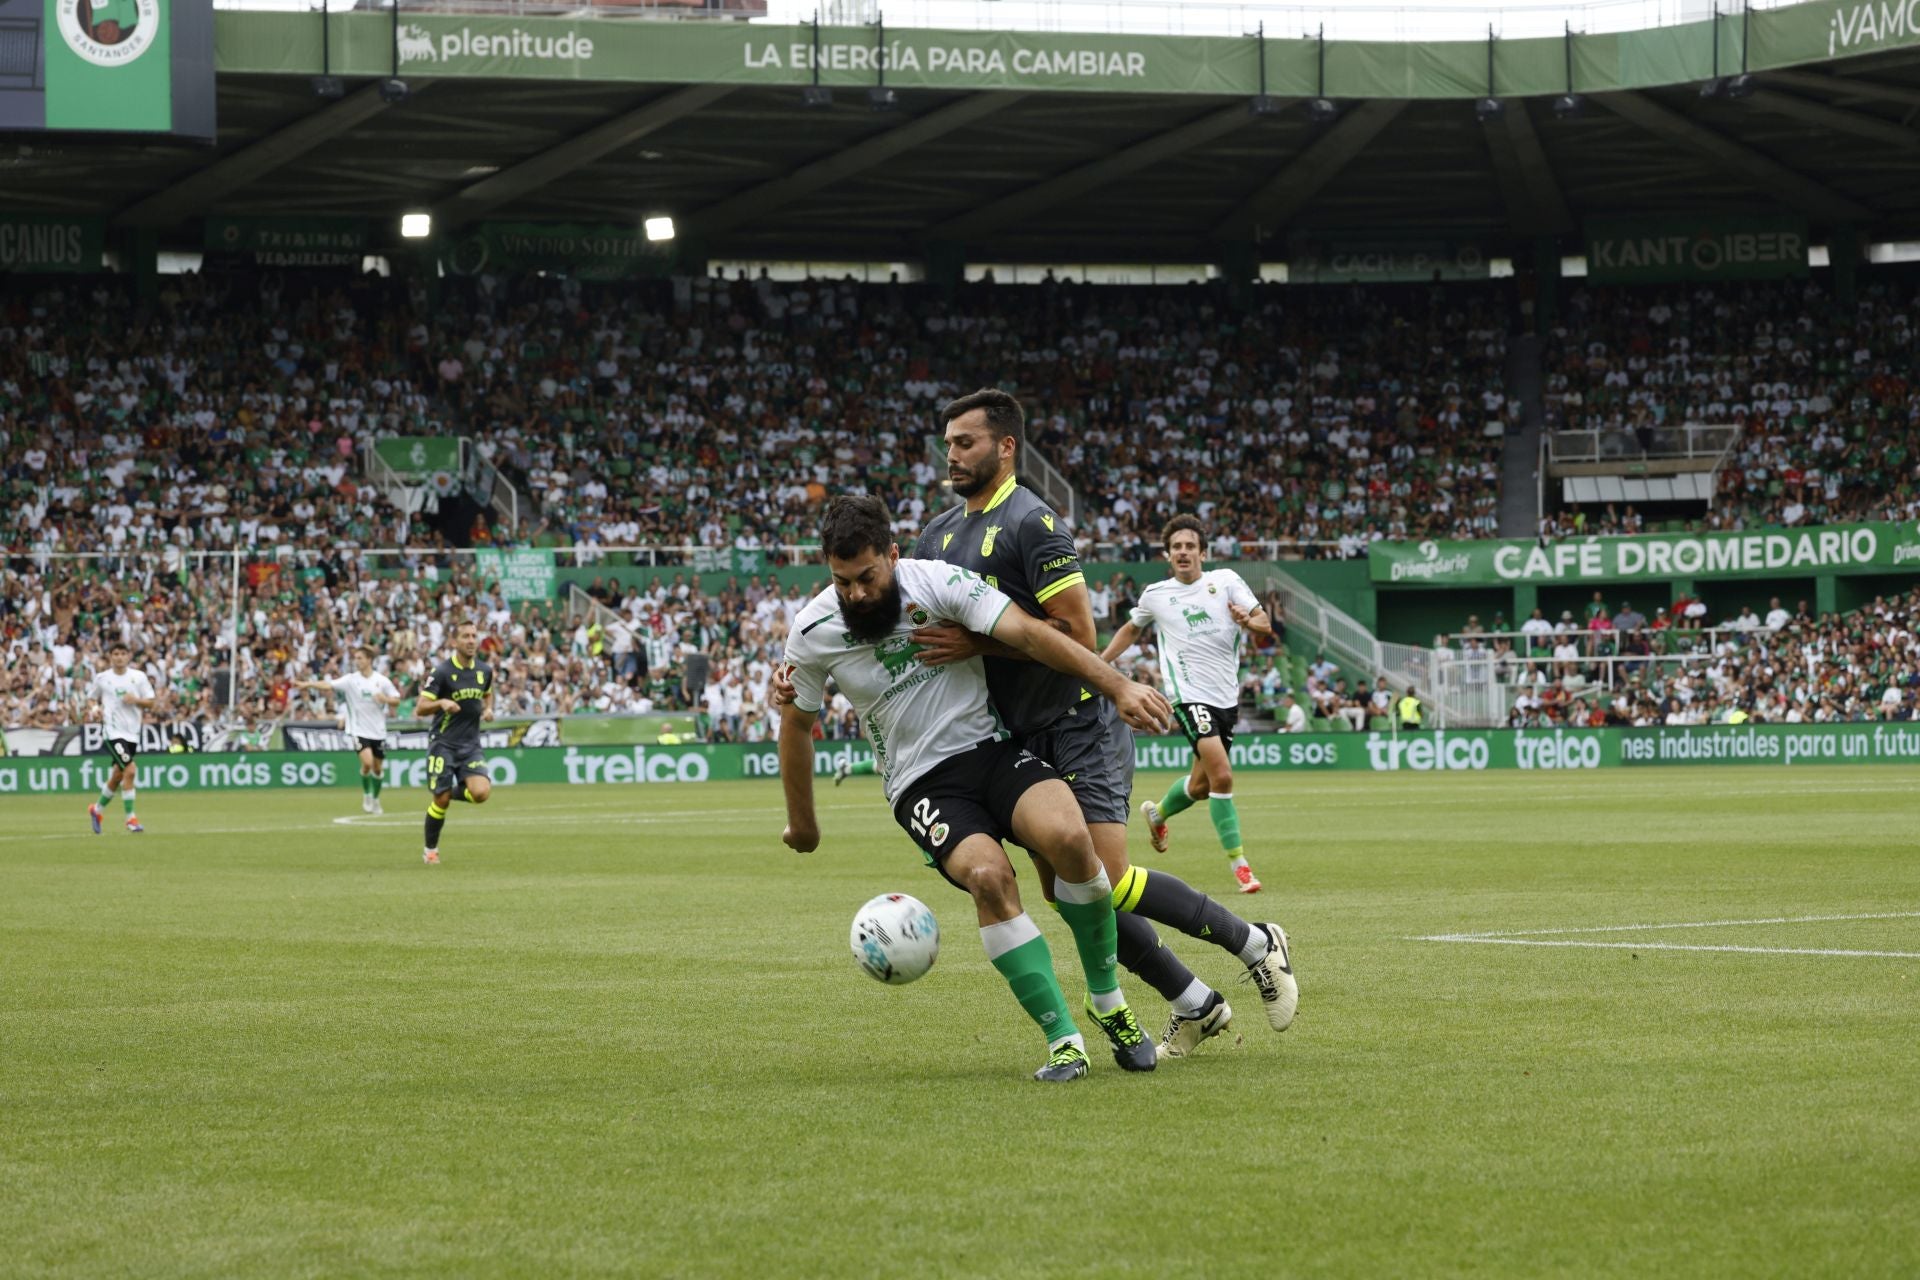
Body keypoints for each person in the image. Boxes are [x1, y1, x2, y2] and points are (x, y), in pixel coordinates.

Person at [874, 388, 1296, 1055]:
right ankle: (1195, 1001)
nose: (951, 454)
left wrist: (979, 644)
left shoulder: (1032, 523)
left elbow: (1076, 631)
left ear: (1005, 447)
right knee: (1070, 894)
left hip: (1074, 720)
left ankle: (1253, 940)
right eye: (948, 443)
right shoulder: (938, 533)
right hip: (1011, 735)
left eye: (966, 442)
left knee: (1106, 878)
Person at [779, 496, 1174, 1081]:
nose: (856, 594)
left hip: (991, 749)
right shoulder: (813, 631)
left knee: (1072, 840)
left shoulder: (937, 583)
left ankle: (1108, 1001)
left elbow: (1032, 635)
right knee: (990, 878)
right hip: (920, 784)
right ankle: (1063, 1040)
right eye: (843, 582)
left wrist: (1116, 684)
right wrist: (804, 824)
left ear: (893, 555)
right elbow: (795, 724)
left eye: (867, 577)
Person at [1103, 514, 1275, 895]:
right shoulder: (1156, 595)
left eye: (1190, 546)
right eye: (1176, 547)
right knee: (1222, 777)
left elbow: (1264, 623)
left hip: (1226, 699)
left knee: (1200, 786)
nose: (1183, 552)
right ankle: (1241, 867)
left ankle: (1158, 813)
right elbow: (1131, 629)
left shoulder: (1225, 581)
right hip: (1188, 696)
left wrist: (1247, 620)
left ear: (1203, 553)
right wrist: (1099, 664)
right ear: (1168, 555)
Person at [413, 621, 495, 866]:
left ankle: (448, 791)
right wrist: (441, 703)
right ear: (454, 642)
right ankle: (430, 850)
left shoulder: (484, 671)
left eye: (474, 636)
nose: (471, 640)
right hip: (443, 743)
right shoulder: (442, 672)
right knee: (440, 801)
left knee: (481, 793)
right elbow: (420, 708)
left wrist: (488, 709)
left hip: (470, 744)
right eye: (465, 636)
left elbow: (488, 693)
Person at [293, 647, 403, 814]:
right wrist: (308, 684)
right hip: (358, 730)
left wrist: (385, 699)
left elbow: (396, 701)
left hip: (378, 731)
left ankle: (375, 799)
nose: (356, 661)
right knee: (367, 763)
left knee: (377, 769)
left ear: (369, 660)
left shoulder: (382, 681)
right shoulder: (351, 680)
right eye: (355, 658)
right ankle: (367, 795)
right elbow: (328, 685)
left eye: (360, 658)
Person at [82, 642, 163, 835]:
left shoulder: (139, 677)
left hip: (132, 733)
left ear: (128, 656)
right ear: (110, 656)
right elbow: (91, 698)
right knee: (131, 769)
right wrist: (95, 709)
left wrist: (136, 700)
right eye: (116, 654)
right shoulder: (102, 678)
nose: (119, 657)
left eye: (123, 653)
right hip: (112, 731)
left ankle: (97, 810)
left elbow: (152, 703)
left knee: (118, 775)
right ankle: (131, 819)